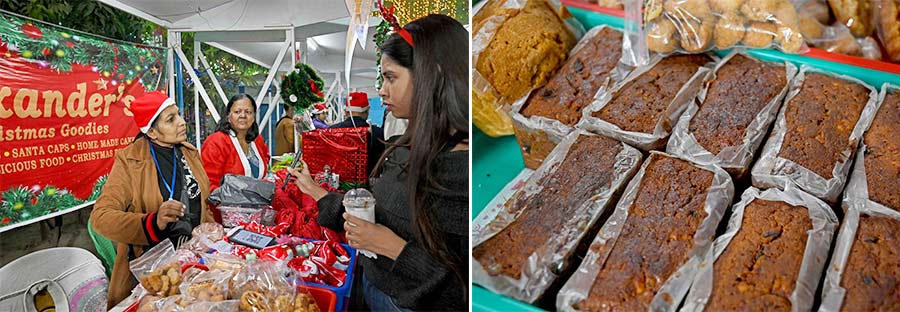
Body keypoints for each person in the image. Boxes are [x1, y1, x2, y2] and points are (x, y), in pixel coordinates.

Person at [289, 14, 468, 311]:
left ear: (431, 76)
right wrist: (315, 191)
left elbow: (460, 293)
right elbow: (377, 214)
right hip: (371, 289)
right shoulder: (407, 145)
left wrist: (392, 247)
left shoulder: (460, 166)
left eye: (391, 77)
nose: (382, 90)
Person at [91, 92, 215, 308]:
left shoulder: (189, 153)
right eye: (171, 119)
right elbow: (100, 217)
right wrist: (152, 222)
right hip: (152, 272)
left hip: (194, 261)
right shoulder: (130, 161)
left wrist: (212, 233)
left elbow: (203, 202)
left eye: (178, 114)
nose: (182, 122)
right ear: (152, 132)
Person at [201, 94, 271, 220]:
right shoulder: (216, 142)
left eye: (248, 112)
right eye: (237, 111)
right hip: (224, 217)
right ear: (228, 116)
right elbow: (208, 185)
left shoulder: (257, 140)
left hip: (255, 216)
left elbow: (264, 172)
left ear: (254, 116)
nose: (243, 115)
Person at [329, 91, 385, 175]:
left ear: (346, 112)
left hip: (338, 183)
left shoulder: (331, 131)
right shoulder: (378, 133)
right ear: (367, 110)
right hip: (369, 183)